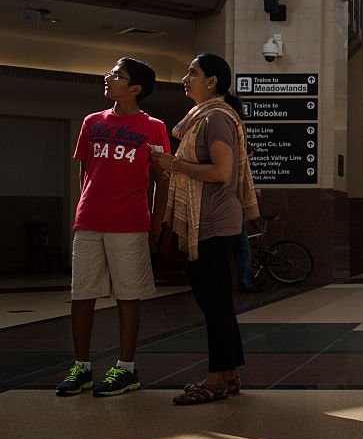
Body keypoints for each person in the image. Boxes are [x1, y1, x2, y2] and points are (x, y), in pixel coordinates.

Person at [57, 58, 170, 397]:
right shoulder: (92, 122)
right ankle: (82, 367)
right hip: (89, 221)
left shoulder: (154, 127)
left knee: (128, 295)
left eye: (116, 75)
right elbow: (85, 171)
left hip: (130, 223)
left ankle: (126, 369)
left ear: (134, 88)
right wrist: (82, 208)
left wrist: (156, 222)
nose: (108, 78)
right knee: (82, 295)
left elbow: (161, 180)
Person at [151, 53, 259, 405]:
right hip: (211, 220)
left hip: (212, 222)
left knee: (214, 305)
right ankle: (228, 375)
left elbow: (220, 172)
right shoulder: (204, 118)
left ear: (212, 82)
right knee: (218, 304)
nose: (185, 78)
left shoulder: (215, 118)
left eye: (191, 73)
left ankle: (214, 380)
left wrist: (174, 164)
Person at [235, 145, 263, 292]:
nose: (249, 162)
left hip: (237, 216)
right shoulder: (237, 170)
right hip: (235, 216)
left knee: (243, 250)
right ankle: (246, 282)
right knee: (243, 250)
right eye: (249, 158)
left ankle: (247, 280)